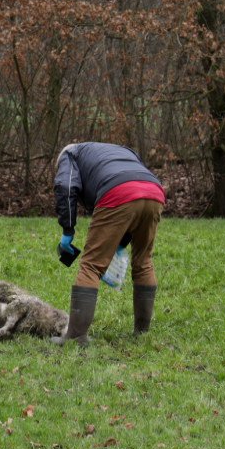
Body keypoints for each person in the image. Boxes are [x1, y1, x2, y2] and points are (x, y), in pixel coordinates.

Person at [53, 141, 164, 345]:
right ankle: (142, 333)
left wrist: (67, 230)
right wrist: (120, 243)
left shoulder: (70, 155)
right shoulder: (121, 150)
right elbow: (134, 190)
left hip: (118, 192)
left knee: (91, 265)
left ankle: (75, 337)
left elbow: (65, 186)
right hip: (154, 191)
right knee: (143, 261)